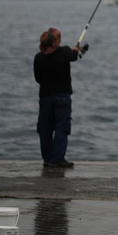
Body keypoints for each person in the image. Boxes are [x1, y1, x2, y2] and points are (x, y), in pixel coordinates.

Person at [33, 27, 82, 168]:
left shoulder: (39, 58)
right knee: (62, 127)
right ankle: (58, 158)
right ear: (54, 43)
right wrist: (76, 49)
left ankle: (47, 159)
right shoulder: (64, 52)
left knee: (45, 129)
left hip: (45, 98)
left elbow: (38, 78)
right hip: (62, 97)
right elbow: (73, 55)